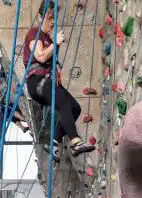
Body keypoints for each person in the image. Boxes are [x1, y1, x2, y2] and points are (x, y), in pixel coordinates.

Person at [23, 0, 95, 161]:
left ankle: (53, 140)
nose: (53, 21)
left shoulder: (49, 38)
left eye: (54, 18)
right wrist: (55, 42)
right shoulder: (34, 33)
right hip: (37, 82)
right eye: (49, 17)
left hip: (49, 81)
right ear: (40, 17)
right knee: (63, 103)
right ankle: (75, 141)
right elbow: (40, 55)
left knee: (75, 108)